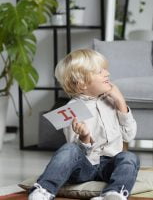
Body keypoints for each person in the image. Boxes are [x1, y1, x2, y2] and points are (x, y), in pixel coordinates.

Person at [28, 49, 139, 200]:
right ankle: (44, 190)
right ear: (82, 84)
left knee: (129, 157)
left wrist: (121, 103)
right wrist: (84, 137)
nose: (107, 74)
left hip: (110, 166)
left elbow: (129, 135)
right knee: (69, 149)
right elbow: (74, 154)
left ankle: (114, 194)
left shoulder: (112, 102)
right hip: (85, 168)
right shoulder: (72, 109)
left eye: (106, 69)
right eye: (100, 71)